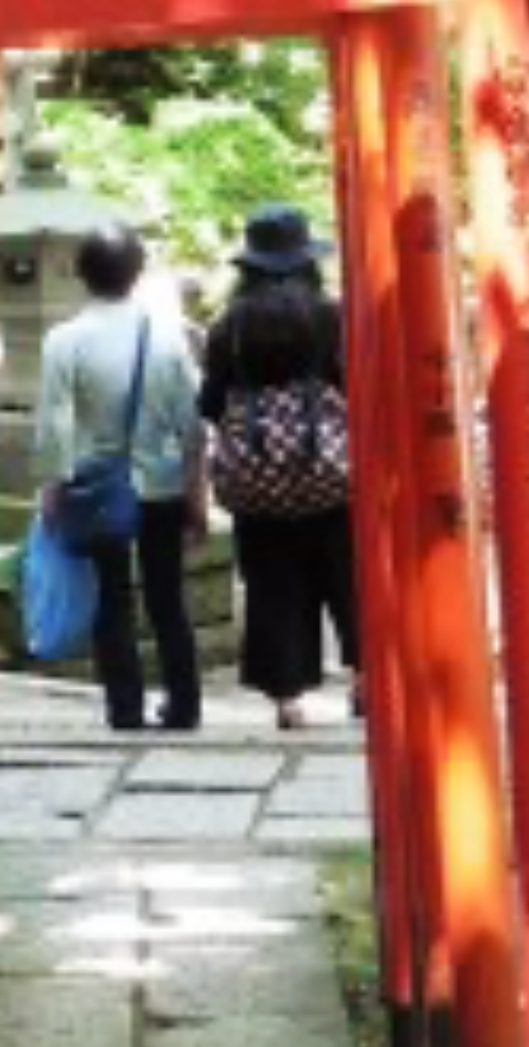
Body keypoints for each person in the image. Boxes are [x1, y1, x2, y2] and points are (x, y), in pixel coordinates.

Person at [32, 225, 207, 734]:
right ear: (137, 272)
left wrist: (52, 486)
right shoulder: (168, 338)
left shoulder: (64, 340)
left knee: (112, 597)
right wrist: (197, 493)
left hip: (98, 488)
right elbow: (193, 425)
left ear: (80, 273)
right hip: (161, 483)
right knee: (167, 595)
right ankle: (184, 704)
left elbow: (54, 425)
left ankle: (125, 708)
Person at [197, 205, 361, 730]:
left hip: (258, 480)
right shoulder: (330, 317)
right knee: (346, 575)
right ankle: (364, 678)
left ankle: (288, 698)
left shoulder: (230, 327)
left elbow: (210, 403)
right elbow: (353, 385)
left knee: (272, 585)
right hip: (330, 472)